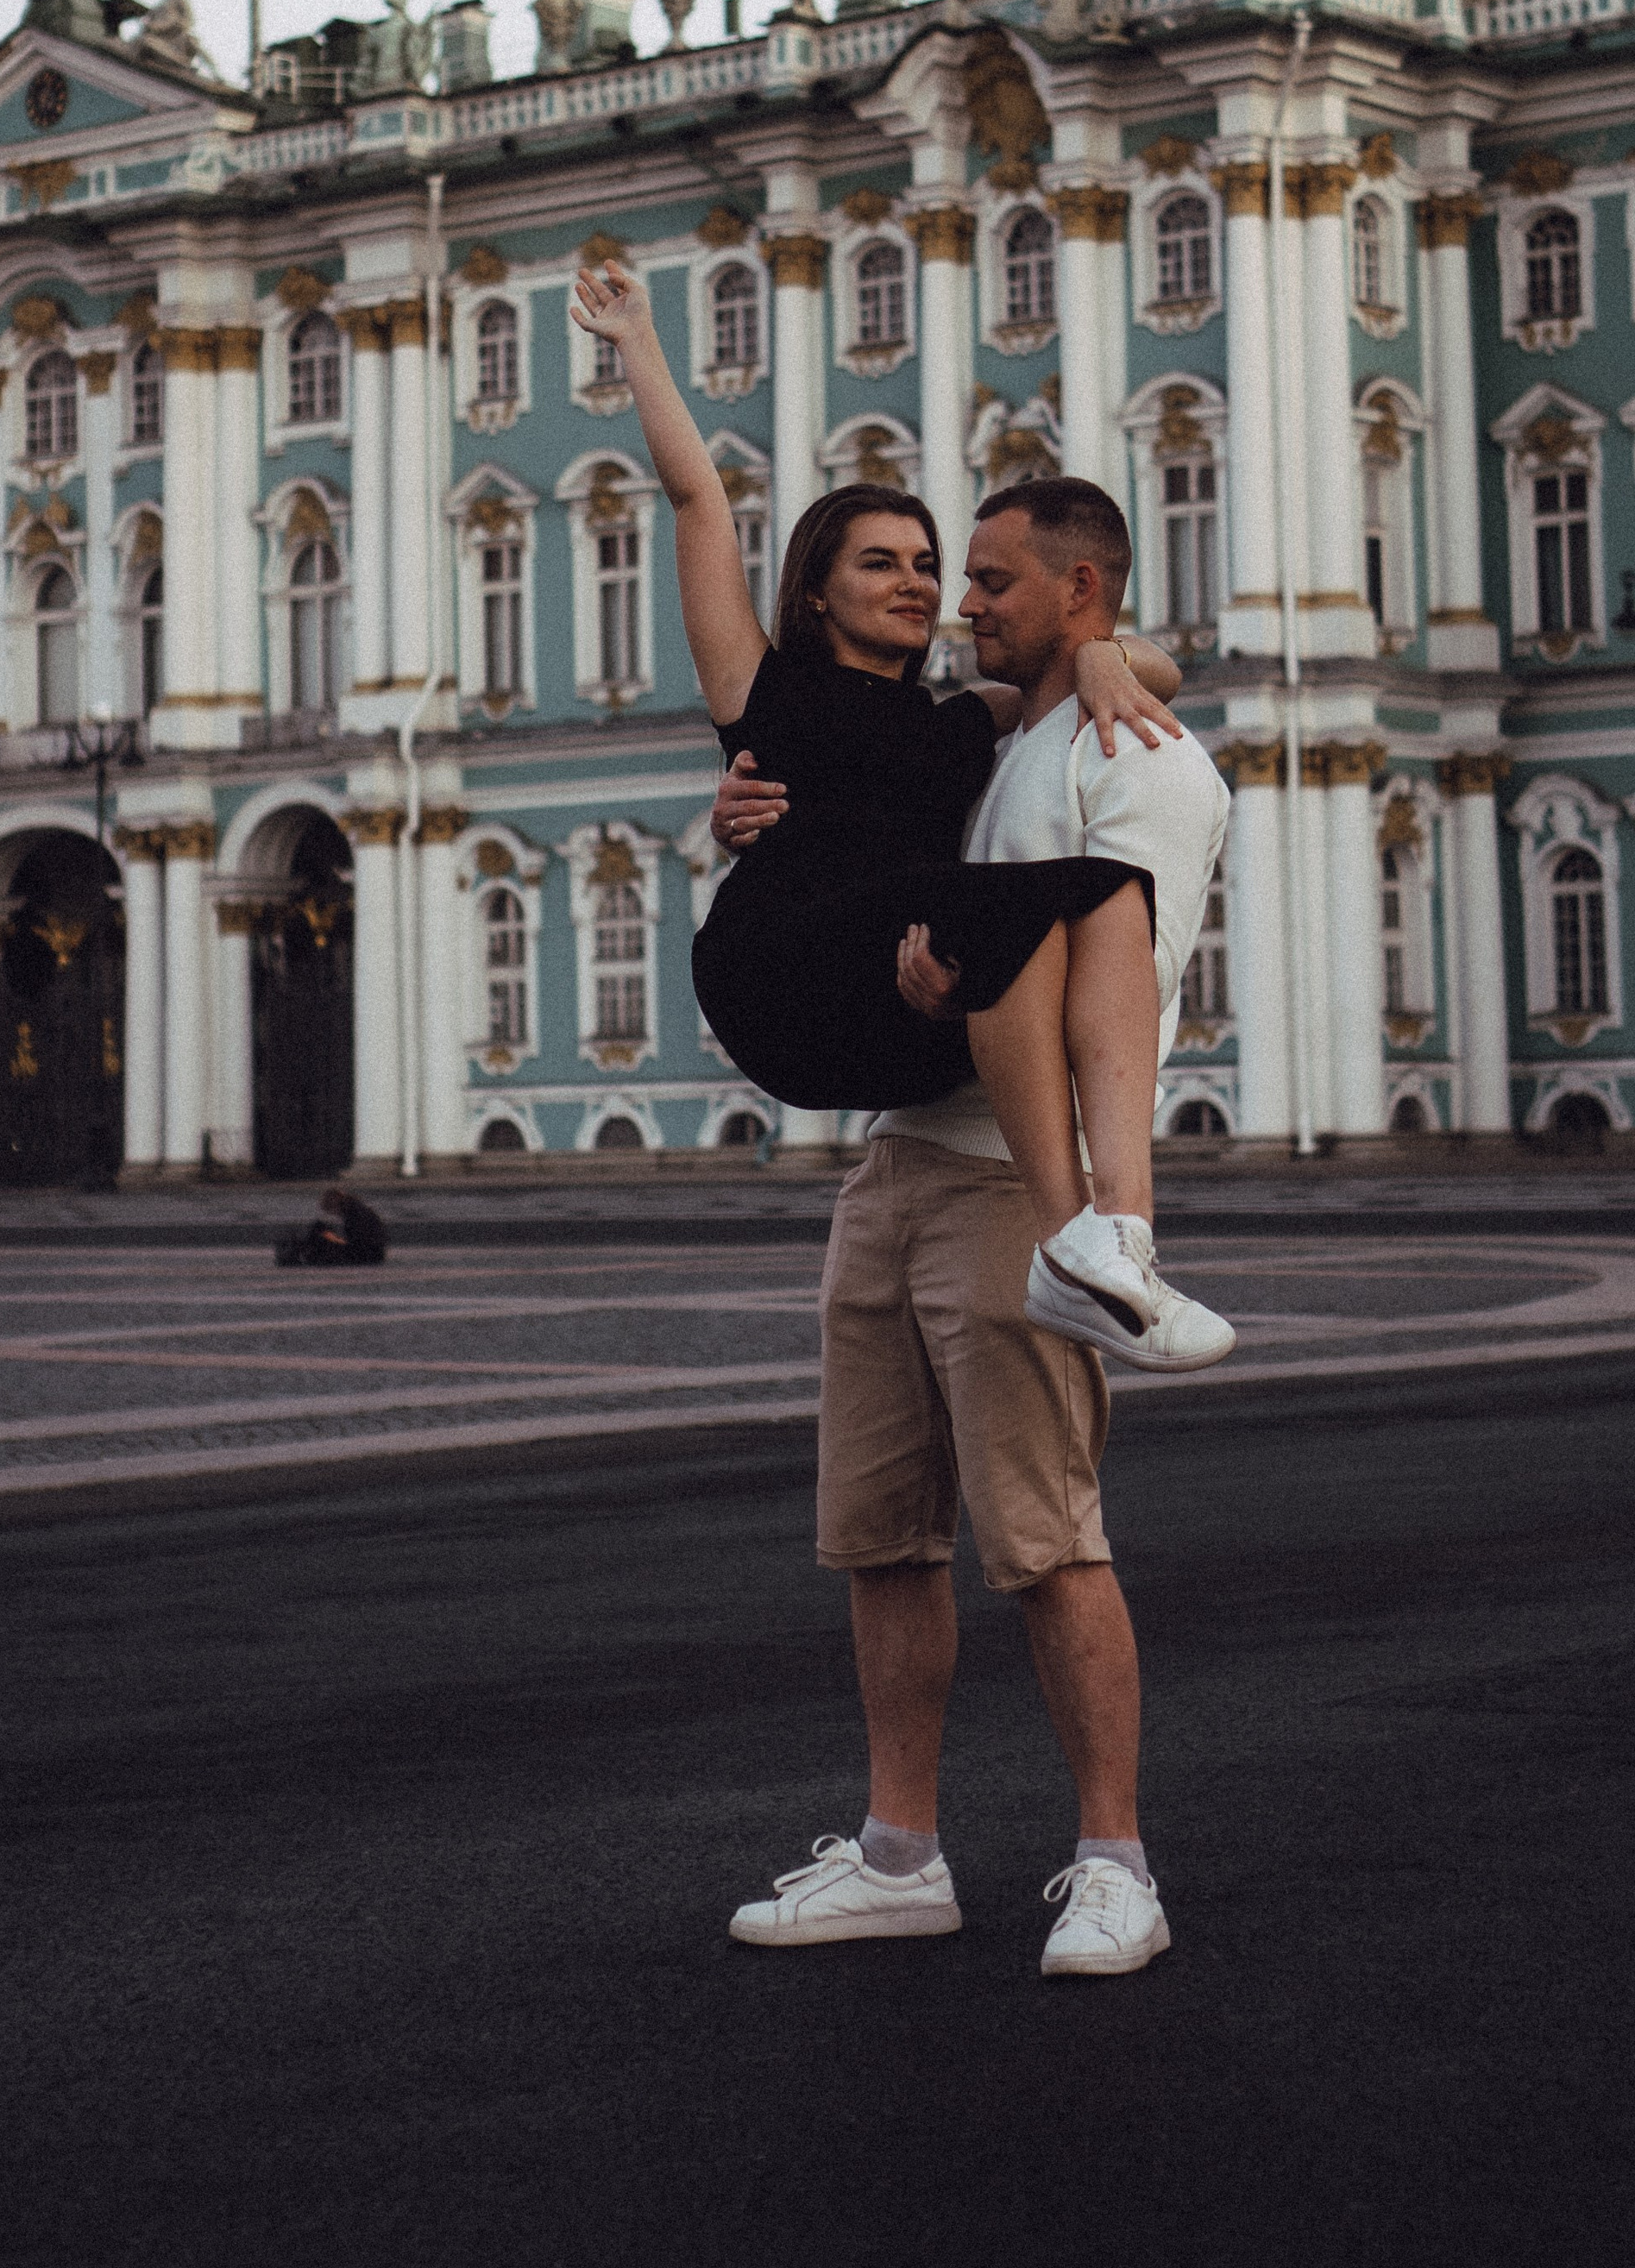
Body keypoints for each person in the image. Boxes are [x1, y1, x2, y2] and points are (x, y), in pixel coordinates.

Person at [716, 475, 1231, 1978]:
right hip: (893, 1174)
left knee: (1047, 1541)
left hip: (1018, 1177)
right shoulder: (1000, 739)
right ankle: (898, 1856)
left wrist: (1131, 672)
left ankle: (1116, 1863)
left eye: (992, 581)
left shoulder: (1140, 757)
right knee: (881, 1536)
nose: (962, 606)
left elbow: (1117, 968)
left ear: (1078, 592)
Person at [569, 256, 1233, 1370]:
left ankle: (1115, 1238)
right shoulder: (763, 689)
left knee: (1108, 897)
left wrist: (1115, 654)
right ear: (817, 587)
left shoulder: (958, 719)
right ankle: (1080, 1238)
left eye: (931, 565)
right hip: (780, 964)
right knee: (1063, 901)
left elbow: (1088, 662)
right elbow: (696, 502)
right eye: (882, 562)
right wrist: (637, 341)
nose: (920, 583)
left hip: (894, 996)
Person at [274, 1184, 387, 1267]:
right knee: (320, 1229)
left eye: (330, 1209)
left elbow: (355, 1243)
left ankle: (295, 1253)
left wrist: (331, 1238)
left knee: (319, 1233)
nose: (333, 1214)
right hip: (366, 1252)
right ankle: (298, 1250)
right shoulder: (355, 1210)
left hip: (366, 1255)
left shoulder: (356, 1215)